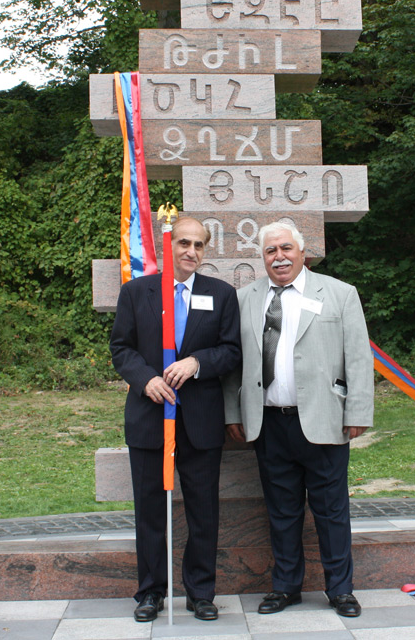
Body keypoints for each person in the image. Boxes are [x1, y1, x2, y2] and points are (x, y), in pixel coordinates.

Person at [223, 220, 373, 618]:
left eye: (286, 248)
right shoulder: (245, 299)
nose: (279, 257)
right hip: (270, 424)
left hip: (324, 421)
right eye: (271, 251)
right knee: (281, 511)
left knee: (331, 511)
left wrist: (357, 410)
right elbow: (235, 366)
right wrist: (233, 412)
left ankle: (341, 590)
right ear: (263, 258)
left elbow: (358, 356)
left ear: (302, 253)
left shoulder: (339, 294)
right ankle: (286, 587)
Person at [110, 217, 241, 623]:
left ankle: (200, 593)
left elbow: (232, 351)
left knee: (204, 512)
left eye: (199, 245)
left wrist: (197, 362)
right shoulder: (137, 292)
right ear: (169, 246)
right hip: (150, 419)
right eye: (184, 243)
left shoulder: (221, 294)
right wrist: (146, 378)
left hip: (200, 421)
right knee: (151, 510)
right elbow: (121, 348)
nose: (191, 252)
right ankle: (150, 592)